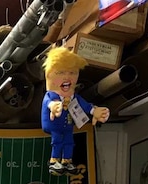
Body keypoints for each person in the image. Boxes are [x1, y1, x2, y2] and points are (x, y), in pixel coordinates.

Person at [41, 47, 110, 176]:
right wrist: (53, 106)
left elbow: (85, 105)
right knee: (57, 141)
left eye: (72, 73)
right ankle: (54, 161)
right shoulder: (51, 95)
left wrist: (94, 111)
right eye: (61, 72)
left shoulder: (74, 97)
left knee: (69, 142)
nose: (67, 77)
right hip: (54, 125)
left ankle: (67, 161)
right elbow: (48, 102)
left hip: (68, 125)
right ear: (49, 74)